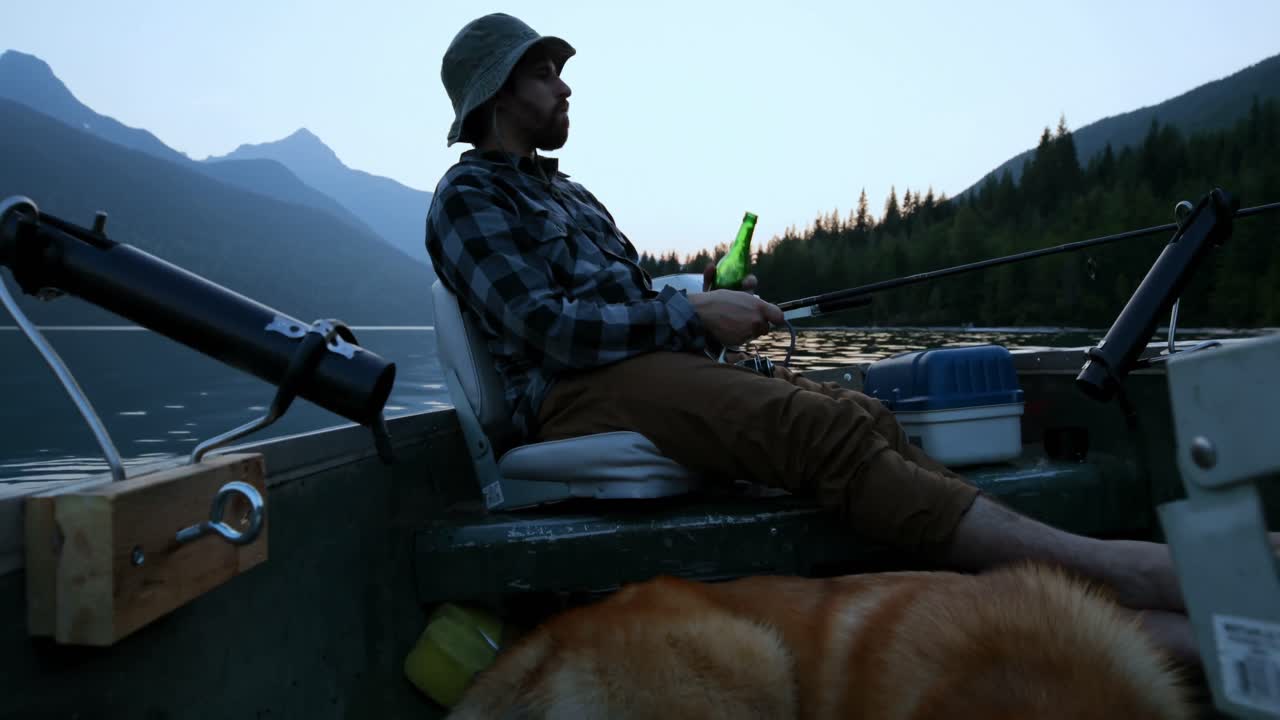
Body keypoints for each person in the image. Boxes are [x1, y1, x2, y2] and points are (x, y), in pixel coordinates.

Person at [425, 13, 1201, 663]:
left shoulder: (572, 192)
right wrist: (693, 317)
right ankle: (1106, 573)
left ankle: (1048, 614)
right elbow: (547, 329)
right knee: (815, 428)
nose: (565, 84)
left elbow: (627, 297)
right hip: (565, 394)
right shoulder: (466, 197)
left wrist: (710, 301)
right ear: (496, 93)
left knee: (862, 413)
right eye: (544, 73)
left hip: (642, 368)